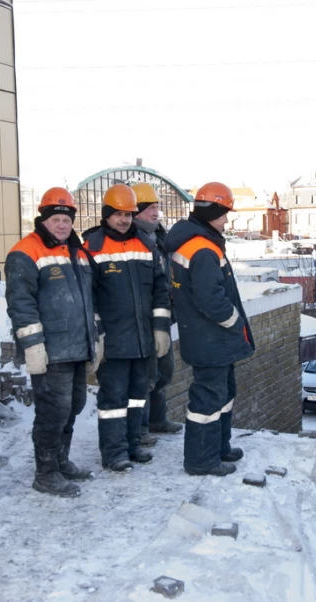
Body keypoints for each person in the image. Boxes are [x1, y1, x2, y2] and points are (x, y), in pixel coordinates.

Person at [5, 187, 99, 497]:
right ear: (43, 220)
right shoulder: (26, 252)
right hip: (50, 349)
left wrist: (94, 337)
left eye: (66, 219)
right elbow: (21, 303)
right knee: (53, 411)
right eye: (56, 219)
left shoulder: (76, 251)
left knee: (74, 405)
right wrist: (32, 345)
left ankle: (61, 462)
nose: (62, 225)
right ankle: (45, 473)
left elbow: (89, 299)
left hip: (76, 345)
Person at [165, 182, 254, 477]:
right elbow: (211, 300)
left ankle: (219, 447)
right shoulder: (202, 248)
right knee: (208, 399)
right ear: (213, 212)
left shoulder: (198, 241)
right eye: (224, 214)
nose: (226, 220)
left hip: (208, 337)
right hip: (210, 338)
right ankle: (201, 460)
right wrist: (235, 321)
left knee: (224, 393)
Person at [84, 184, 172, 472]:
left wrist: (160, 327)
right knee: (113, 401)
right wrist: (97, 336)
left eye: (128, 214)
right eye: (118, 214)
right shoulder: (92, 247)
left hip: (142, 339)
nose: (123, 220)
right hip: (113, 342)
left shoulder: (146, 245)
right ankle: (114, 453)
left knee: (138, 397)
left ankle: (133, 445)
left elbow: (161, 287)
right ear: (106, 215)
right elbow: (88, 298)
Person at [131, 183, 184, 443]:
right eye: (151, 208)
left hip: (163, 314)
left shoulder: (158, 236)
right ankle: (140, 429)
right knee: (145, 376)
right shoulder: (132, 239)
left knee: (164, 370)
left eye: (157, 207)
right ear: (137, 210)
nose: (156, 213)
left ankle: (157, 419)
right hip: (141, 319)